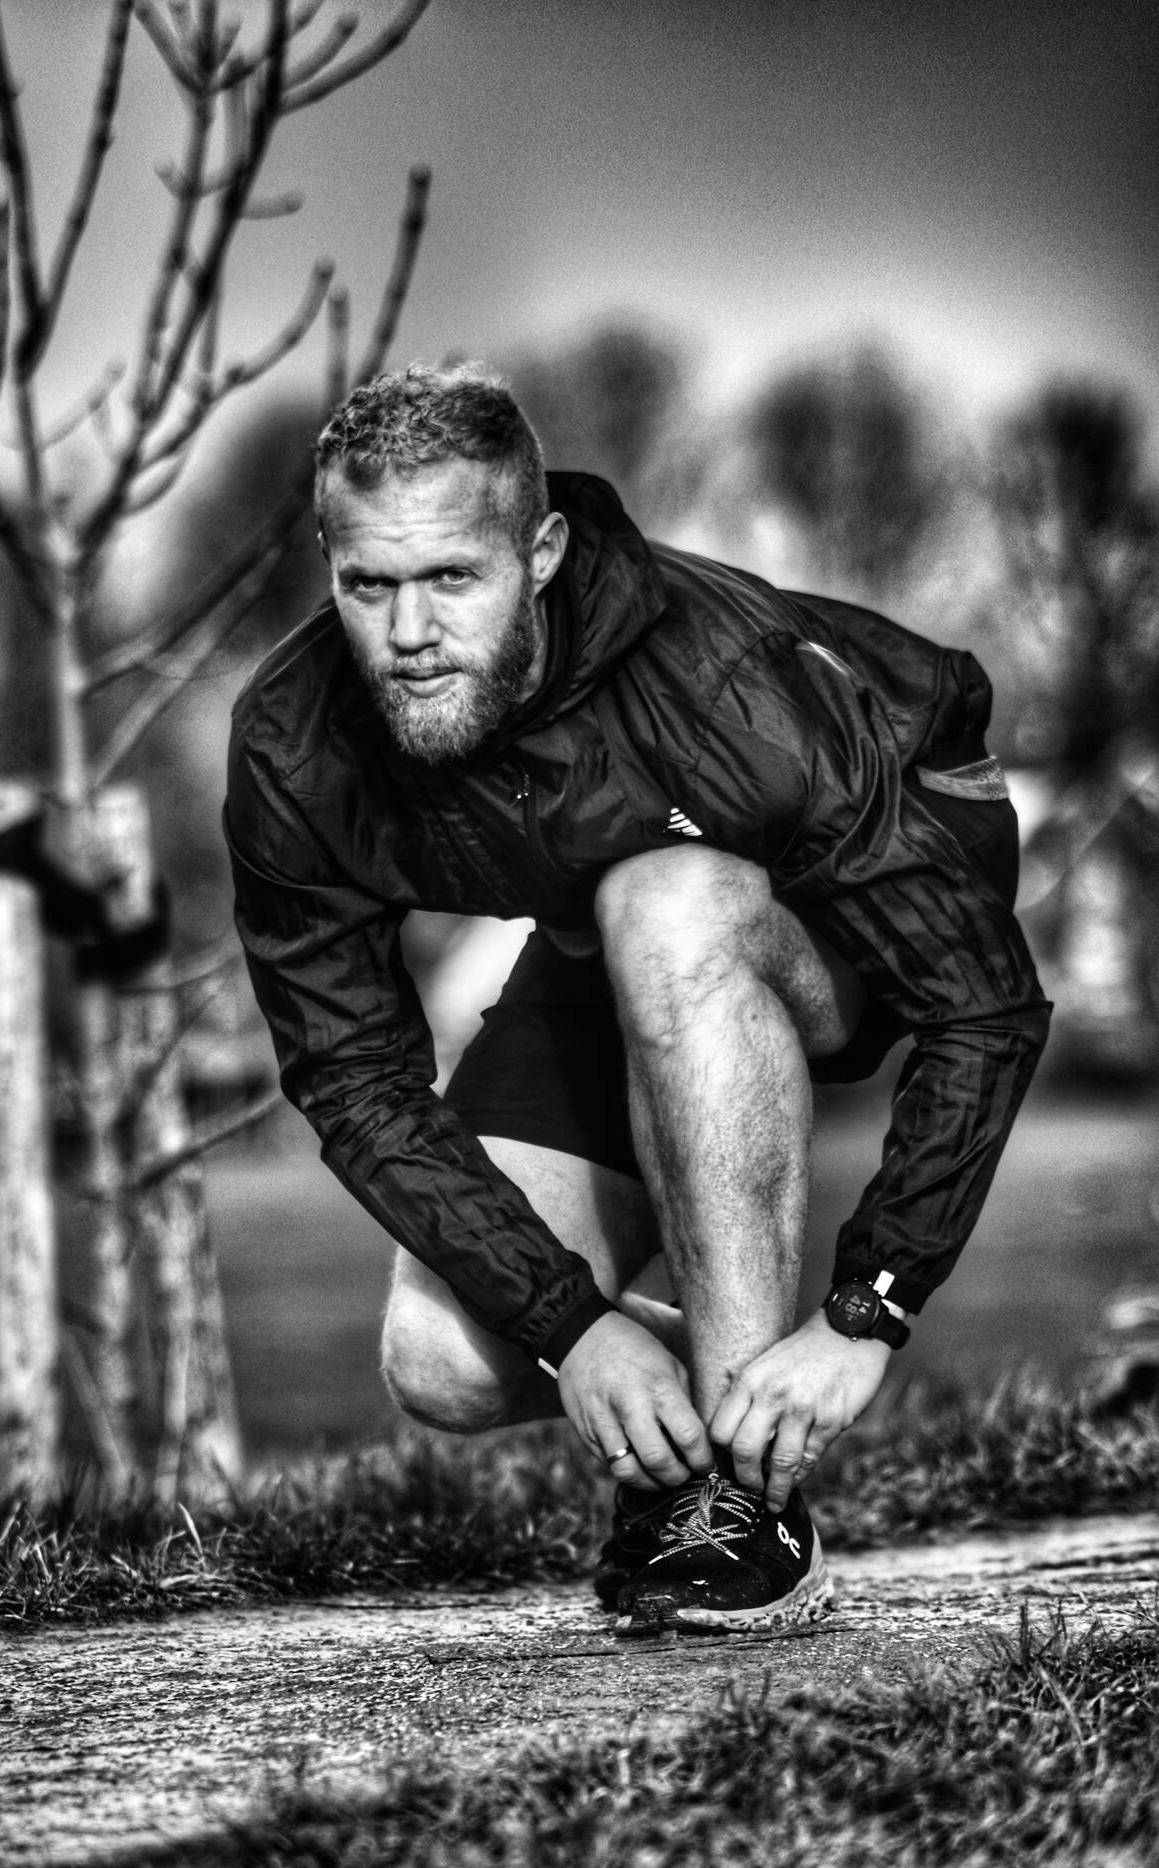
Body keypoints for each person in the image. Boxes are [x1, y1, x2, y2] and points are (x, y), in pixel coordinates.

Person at [226, 363, 1050, 1636]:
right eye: (368, 585)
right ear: (328, 566)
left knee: (664, 900)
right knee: (441, 1365)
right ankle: (701, 1416)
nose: (408, 632)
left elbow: (980, 1006)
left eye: (451, 577)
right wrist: (571, 1328)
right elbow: (351, 1074)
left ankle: (740, 1509)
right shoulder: (294, 744)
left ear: (541, 553)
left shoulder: (723, 683)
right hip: (616, 922)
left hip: (885, 880)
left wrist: (866, 1308)